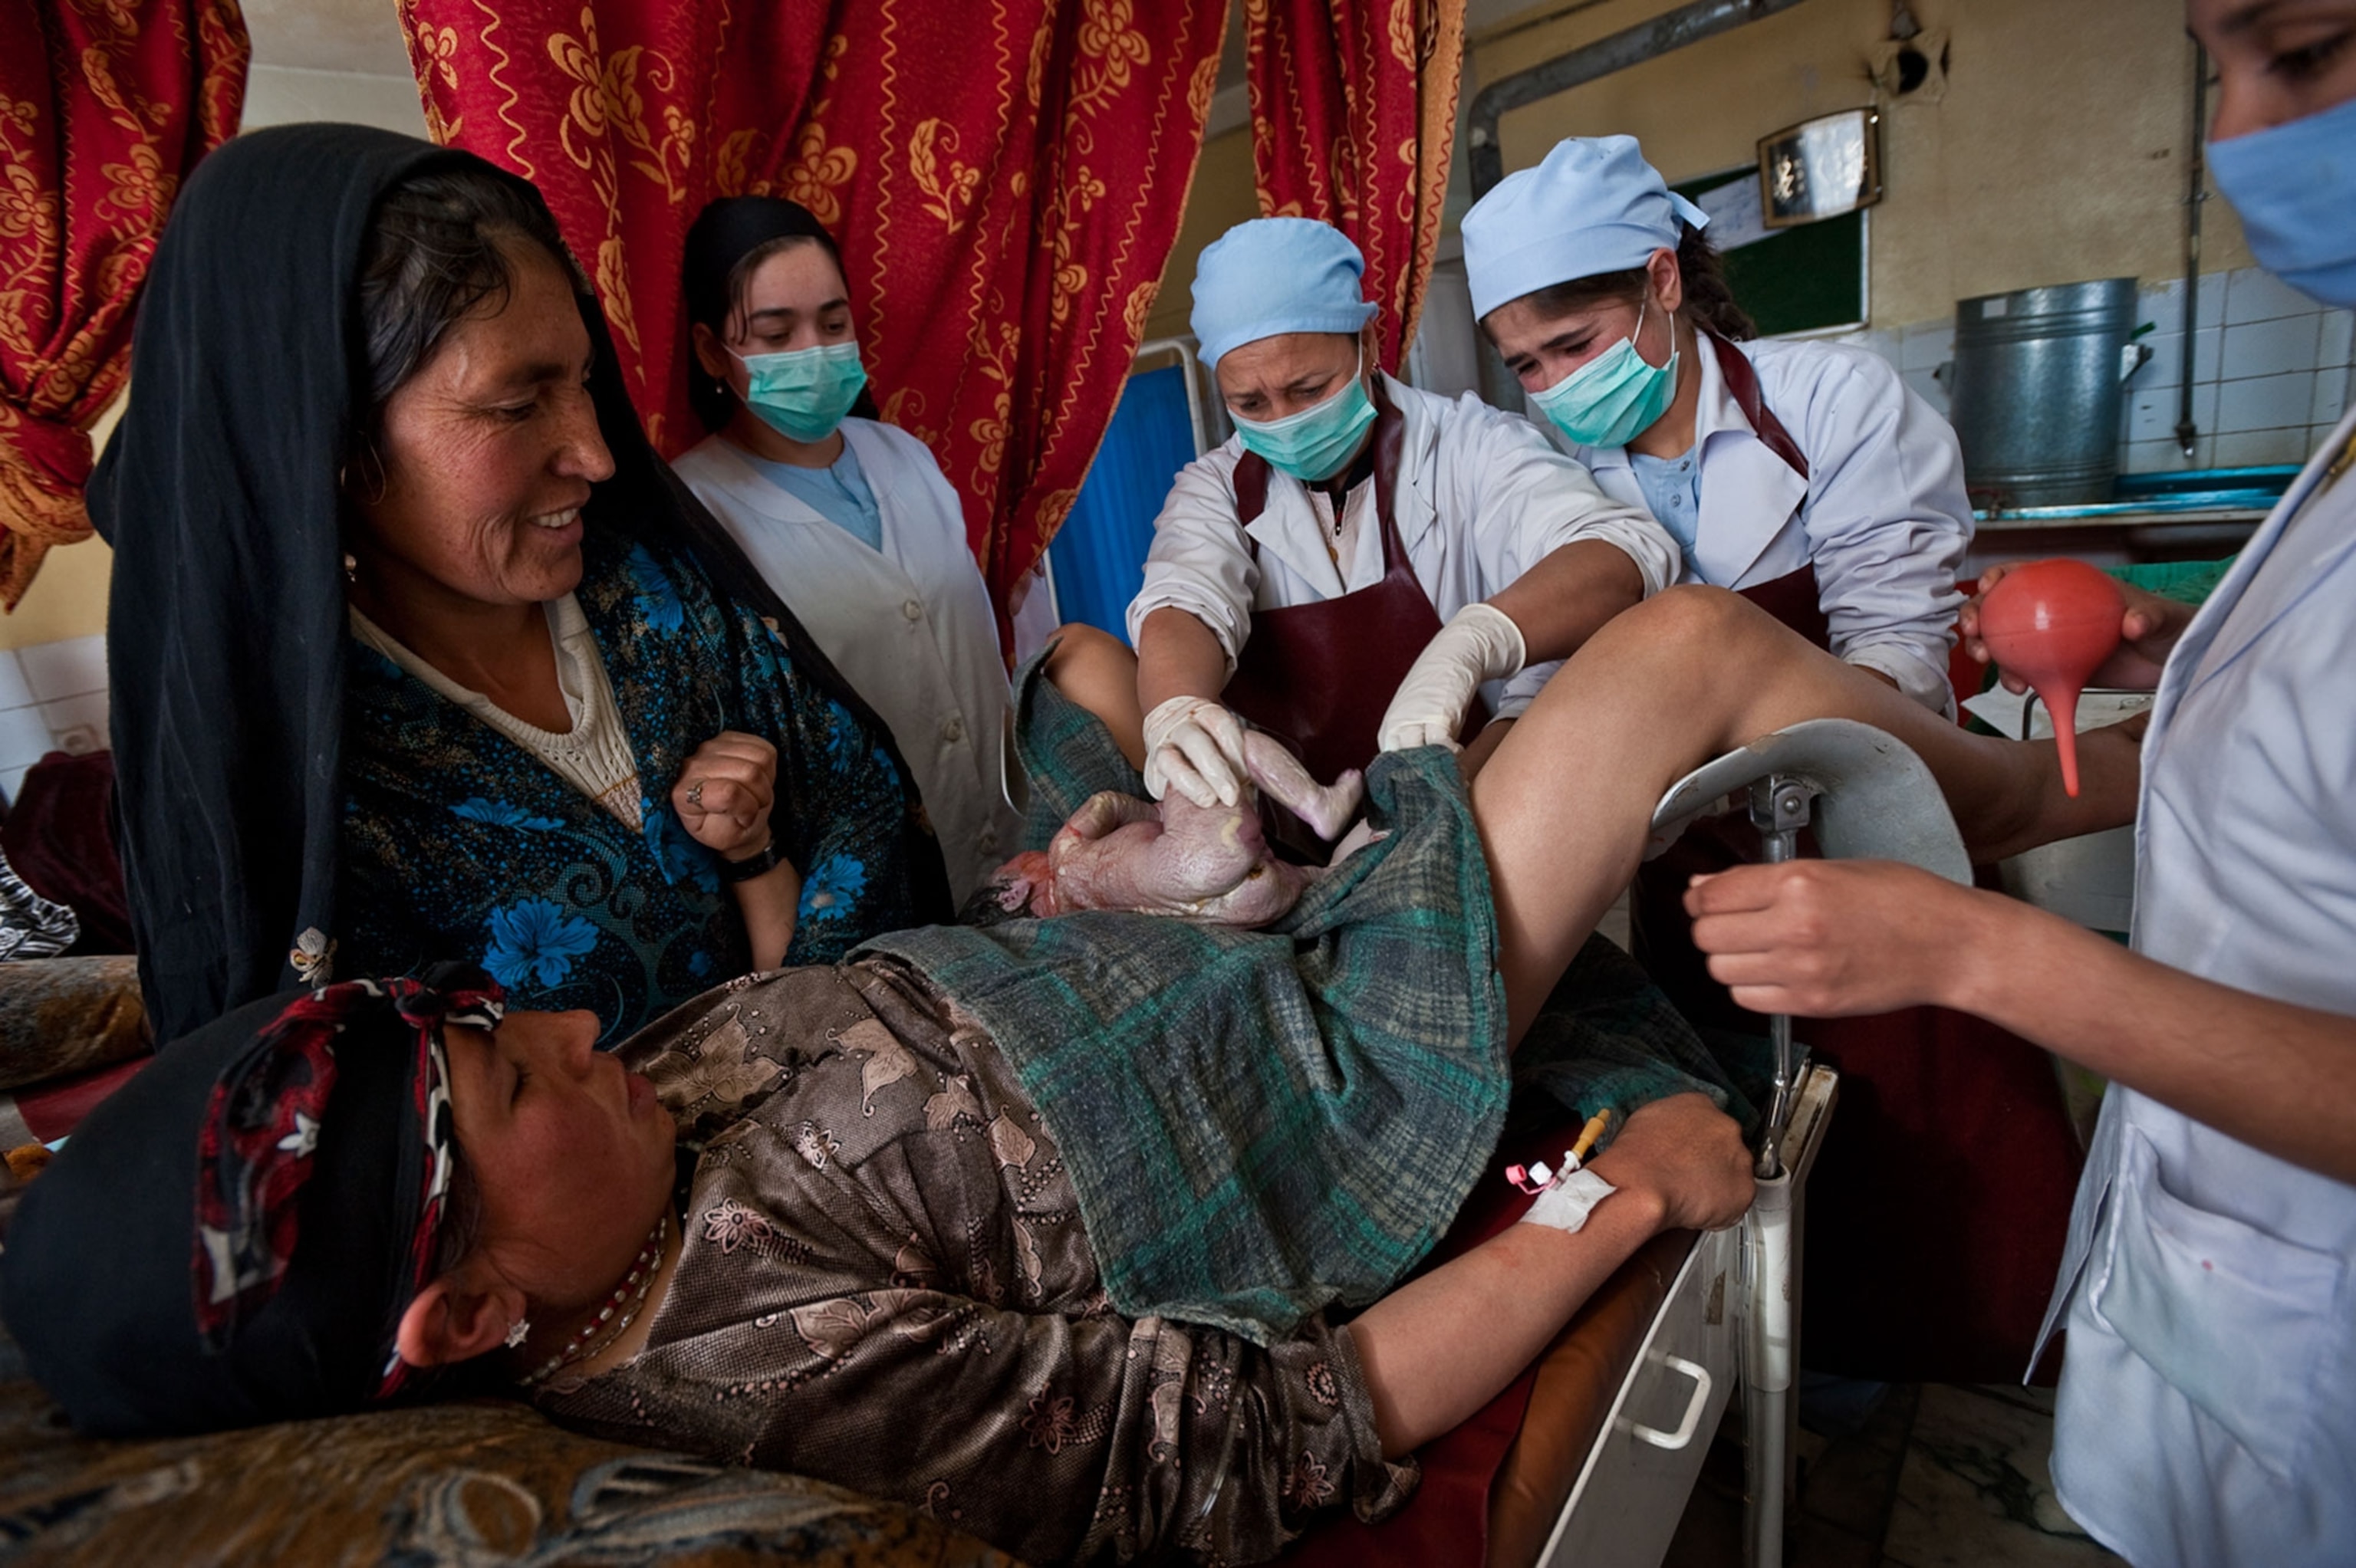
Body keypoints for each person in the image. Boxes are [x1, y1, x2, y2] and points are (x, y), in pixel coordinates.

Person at [5, 580, 2138, 1565]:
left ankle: (2041, 798)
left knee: (1101, 673)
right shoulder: (760, 1350)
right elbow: (1268, 1428)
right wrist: (1621, 1195)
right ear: (465, 1311)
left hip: (1188, 961)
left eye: (509, 1021)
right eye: (520, 1082)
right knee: (1674, 658)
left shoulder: (618, 1146)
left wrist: (1073, 888)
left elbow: (854, 1024)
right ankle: (2061, 804)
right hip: (1315, 1066)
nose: (573, 1032)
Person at [1685, 3, 2356, 1559]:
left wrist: (1973, 946)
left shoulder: (1838, 403)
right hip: (2225, 1245)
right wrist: (2186, 663)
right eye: (2218, 71)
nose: (2240, 137)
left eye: (2307, 54)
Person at [94, 126, 950, 1047]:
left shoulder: (657, 593)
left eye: (584, 381)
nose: (593, 452)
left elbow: (860, 804)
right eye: (514, 405)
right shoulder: (302, 779)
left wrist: (777, 909)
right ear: (332, 446)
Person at [1048, 216, 1681, 816]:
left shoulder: (1470, 446)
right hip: (1276, 829)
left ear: (1368, 343)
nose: (1285, 420)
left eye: (1308, 389)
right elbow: (1184, 601)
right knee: (1073, 658)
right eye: (1251, 401)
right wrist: (1176, 710)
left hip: (1469, 794)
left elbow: (1618, 550)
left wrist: (1476, 640)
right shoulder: (1212, 490)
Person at [1462, 134, 1969, 712]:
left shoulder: (1832, 400)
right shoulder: (1561, 483)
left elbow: (1897, 652)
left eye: (1575, 345)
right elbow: (1552, 678)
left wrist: (1754, 757)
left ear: (1662, 282)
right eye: (1526, 365)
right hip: (1678, 800)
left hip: (1862, 774)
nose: (1556, 383)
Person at [672, 198, 1025, 902]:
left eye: (833, 324)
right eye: (776, 334)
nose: (816, 351)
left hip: (1021, 845)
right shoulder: (695, 514)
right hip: (869, 891)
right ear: (714, 351)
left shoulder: (906, 457)